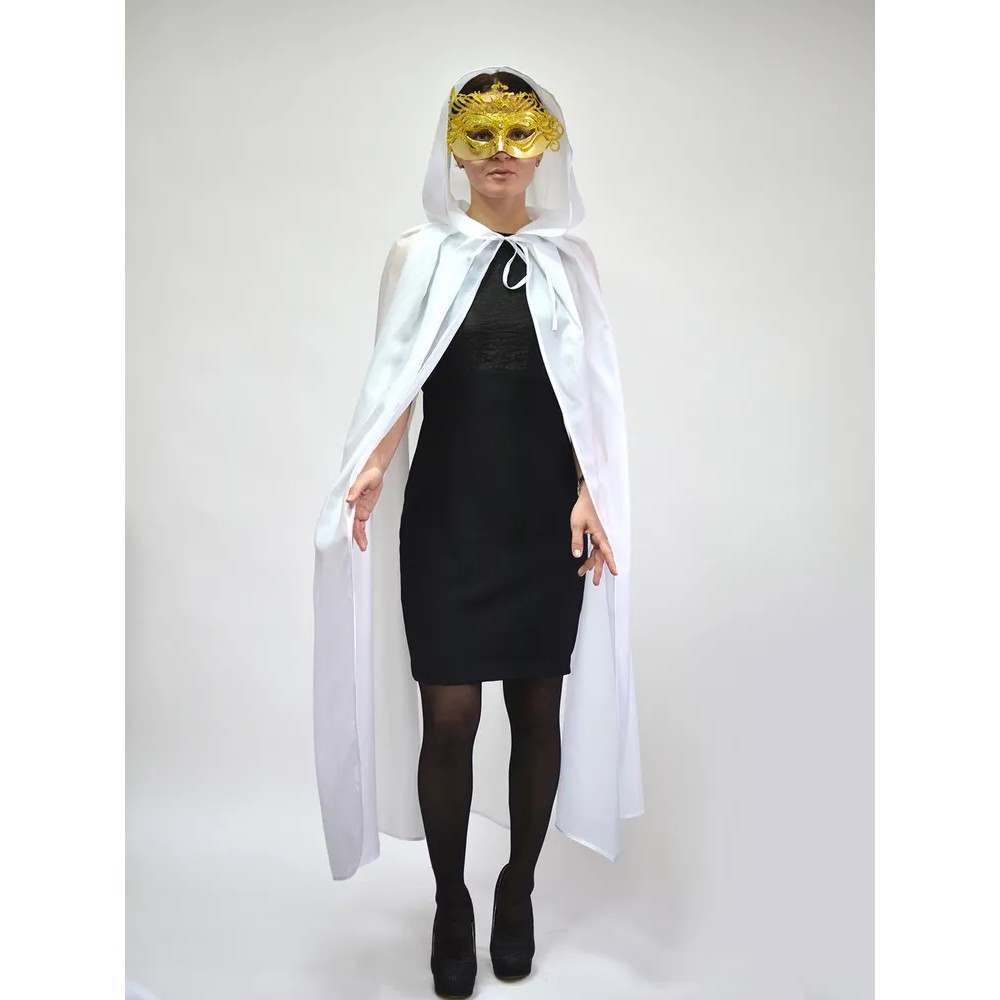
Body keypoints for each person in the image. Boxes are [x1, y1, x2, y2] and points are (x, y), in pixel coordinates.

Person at [312, 66, 643, 999]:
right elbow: (395, 375)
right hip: (448, 520)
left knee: (537, 710)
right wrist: (371, 465)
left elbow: (590, 398)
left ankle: (517, 888)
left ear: (545, 150)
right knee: (450, 718)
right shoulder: (416, 255)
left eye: (518, 135)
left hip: (544, 520)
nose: (501, 153)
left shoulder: (570, 264)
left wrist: (592, 488)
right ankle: (451, 902)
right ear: (454, 151)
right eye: (481, 136)